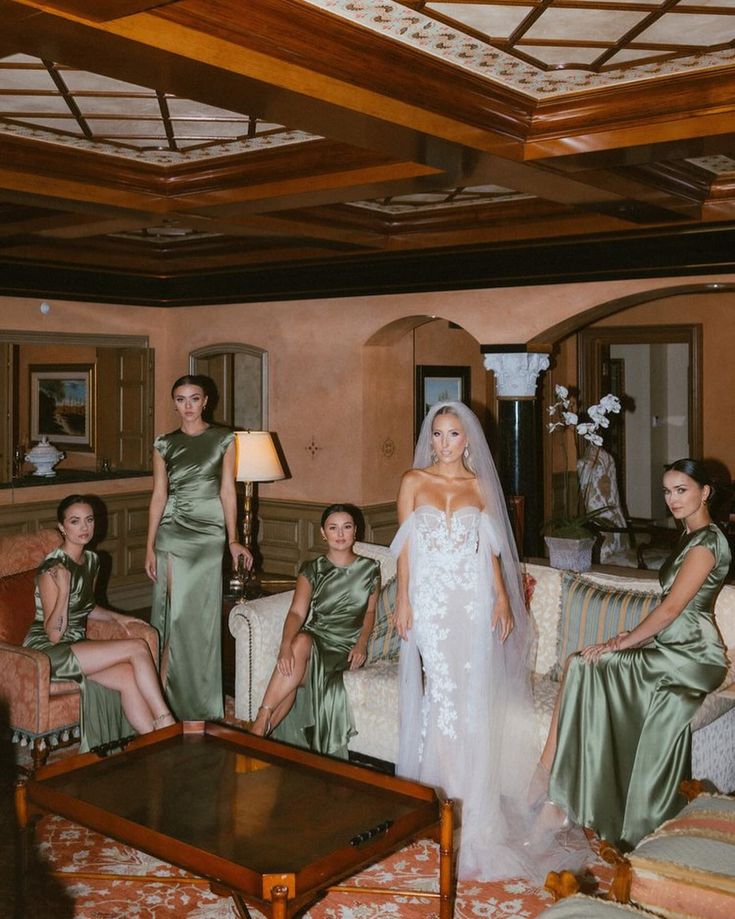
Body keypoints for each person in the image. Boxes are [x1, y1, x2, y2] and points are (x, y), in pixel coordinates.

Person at [536, 458, 731, 851]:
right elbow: (669, 610)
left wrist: (621, 643)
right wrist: (631, 637)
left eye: (682, 490)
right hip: (672, 647)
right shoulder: (689, 537)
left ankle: (547, 792)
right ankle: (552, 793)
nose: (672, 499)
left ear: (705, 492)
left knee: (584, 664)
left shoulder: (710, 541)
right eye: (666, 491)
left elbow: (674, 610)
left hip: (693, 655)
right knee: (580, 666)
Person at [392, 401, 537, 880]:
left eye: (453, 434)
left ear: (468, 441)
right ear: (430, 438)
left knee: (472, 698)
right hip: (430, 604)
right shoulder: (414, 481)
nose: (445, 443)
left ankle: (471, 807)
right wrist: (403, 601)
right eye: (438, 434)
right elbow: (406, 549)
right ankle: (440, 798)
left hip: (472, 604)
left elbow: (491, 550)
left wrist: (500, 601)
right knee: (443, 694)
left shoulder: (479, 487)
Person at [24, 495, 174, 752]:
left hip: (76, 644)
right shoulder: (52, 569)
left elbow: (87, 606)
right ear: (62, 527)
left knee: (127, 676)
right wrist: (63, 590)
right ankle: (167, 723)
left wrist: (118, 616)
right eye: (75, 521)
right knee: (137, 647)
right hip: (49, 650)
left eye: (89, 520)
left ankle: (155, 744)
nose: (84, 528)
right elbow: (54, 634)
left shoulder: (92, 560)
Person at [145, 374, 252, 721]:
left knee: (201, 619)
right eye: (180, 399)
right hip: (172, 533)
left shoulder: (224, 439)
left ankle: (201, 703)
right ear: (173, 402)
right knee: (172, 617)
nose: (187, 406)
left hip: (208, 536)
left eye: (194, 399)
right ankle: (161, 701)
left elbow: (227, 492)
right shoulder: (164, 443)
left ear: (206, 401)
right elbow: (159, 495)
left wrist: (233, 538)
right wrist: (149, 546)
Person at [249, 504, 380, 758]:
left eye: (347, 527)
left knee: (295, 676)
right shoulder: (312, 569)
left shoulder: (370, 569)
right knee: (299, 645)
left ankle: (260, 730)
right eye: (333, 527)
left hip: (345, 645)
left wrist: (362, 643)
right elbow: (297, 613)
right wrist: (284, 645)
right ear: (323, 532)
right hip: (315, 637)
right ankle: (262, 721)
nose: (340, 533)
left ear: (355, 532)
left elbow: (370, 612)